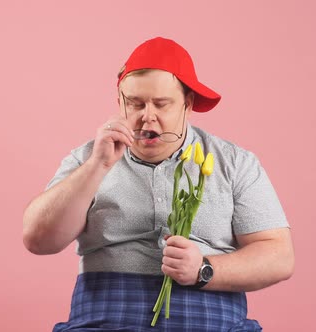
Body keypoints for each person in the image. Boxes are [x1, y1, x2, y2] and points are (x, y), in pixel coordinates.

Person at [22, 36, 294, 331]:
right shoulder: (88, 158)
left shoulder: (234, 162)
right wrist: (96, 167)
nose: (146, 117)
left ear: (187, 105)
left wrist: (204, 269)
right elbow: (38, 239)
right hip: (102, 322)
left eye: (161, 104)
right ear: (119, 103)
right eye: (135, 104)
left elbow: (279, 257)